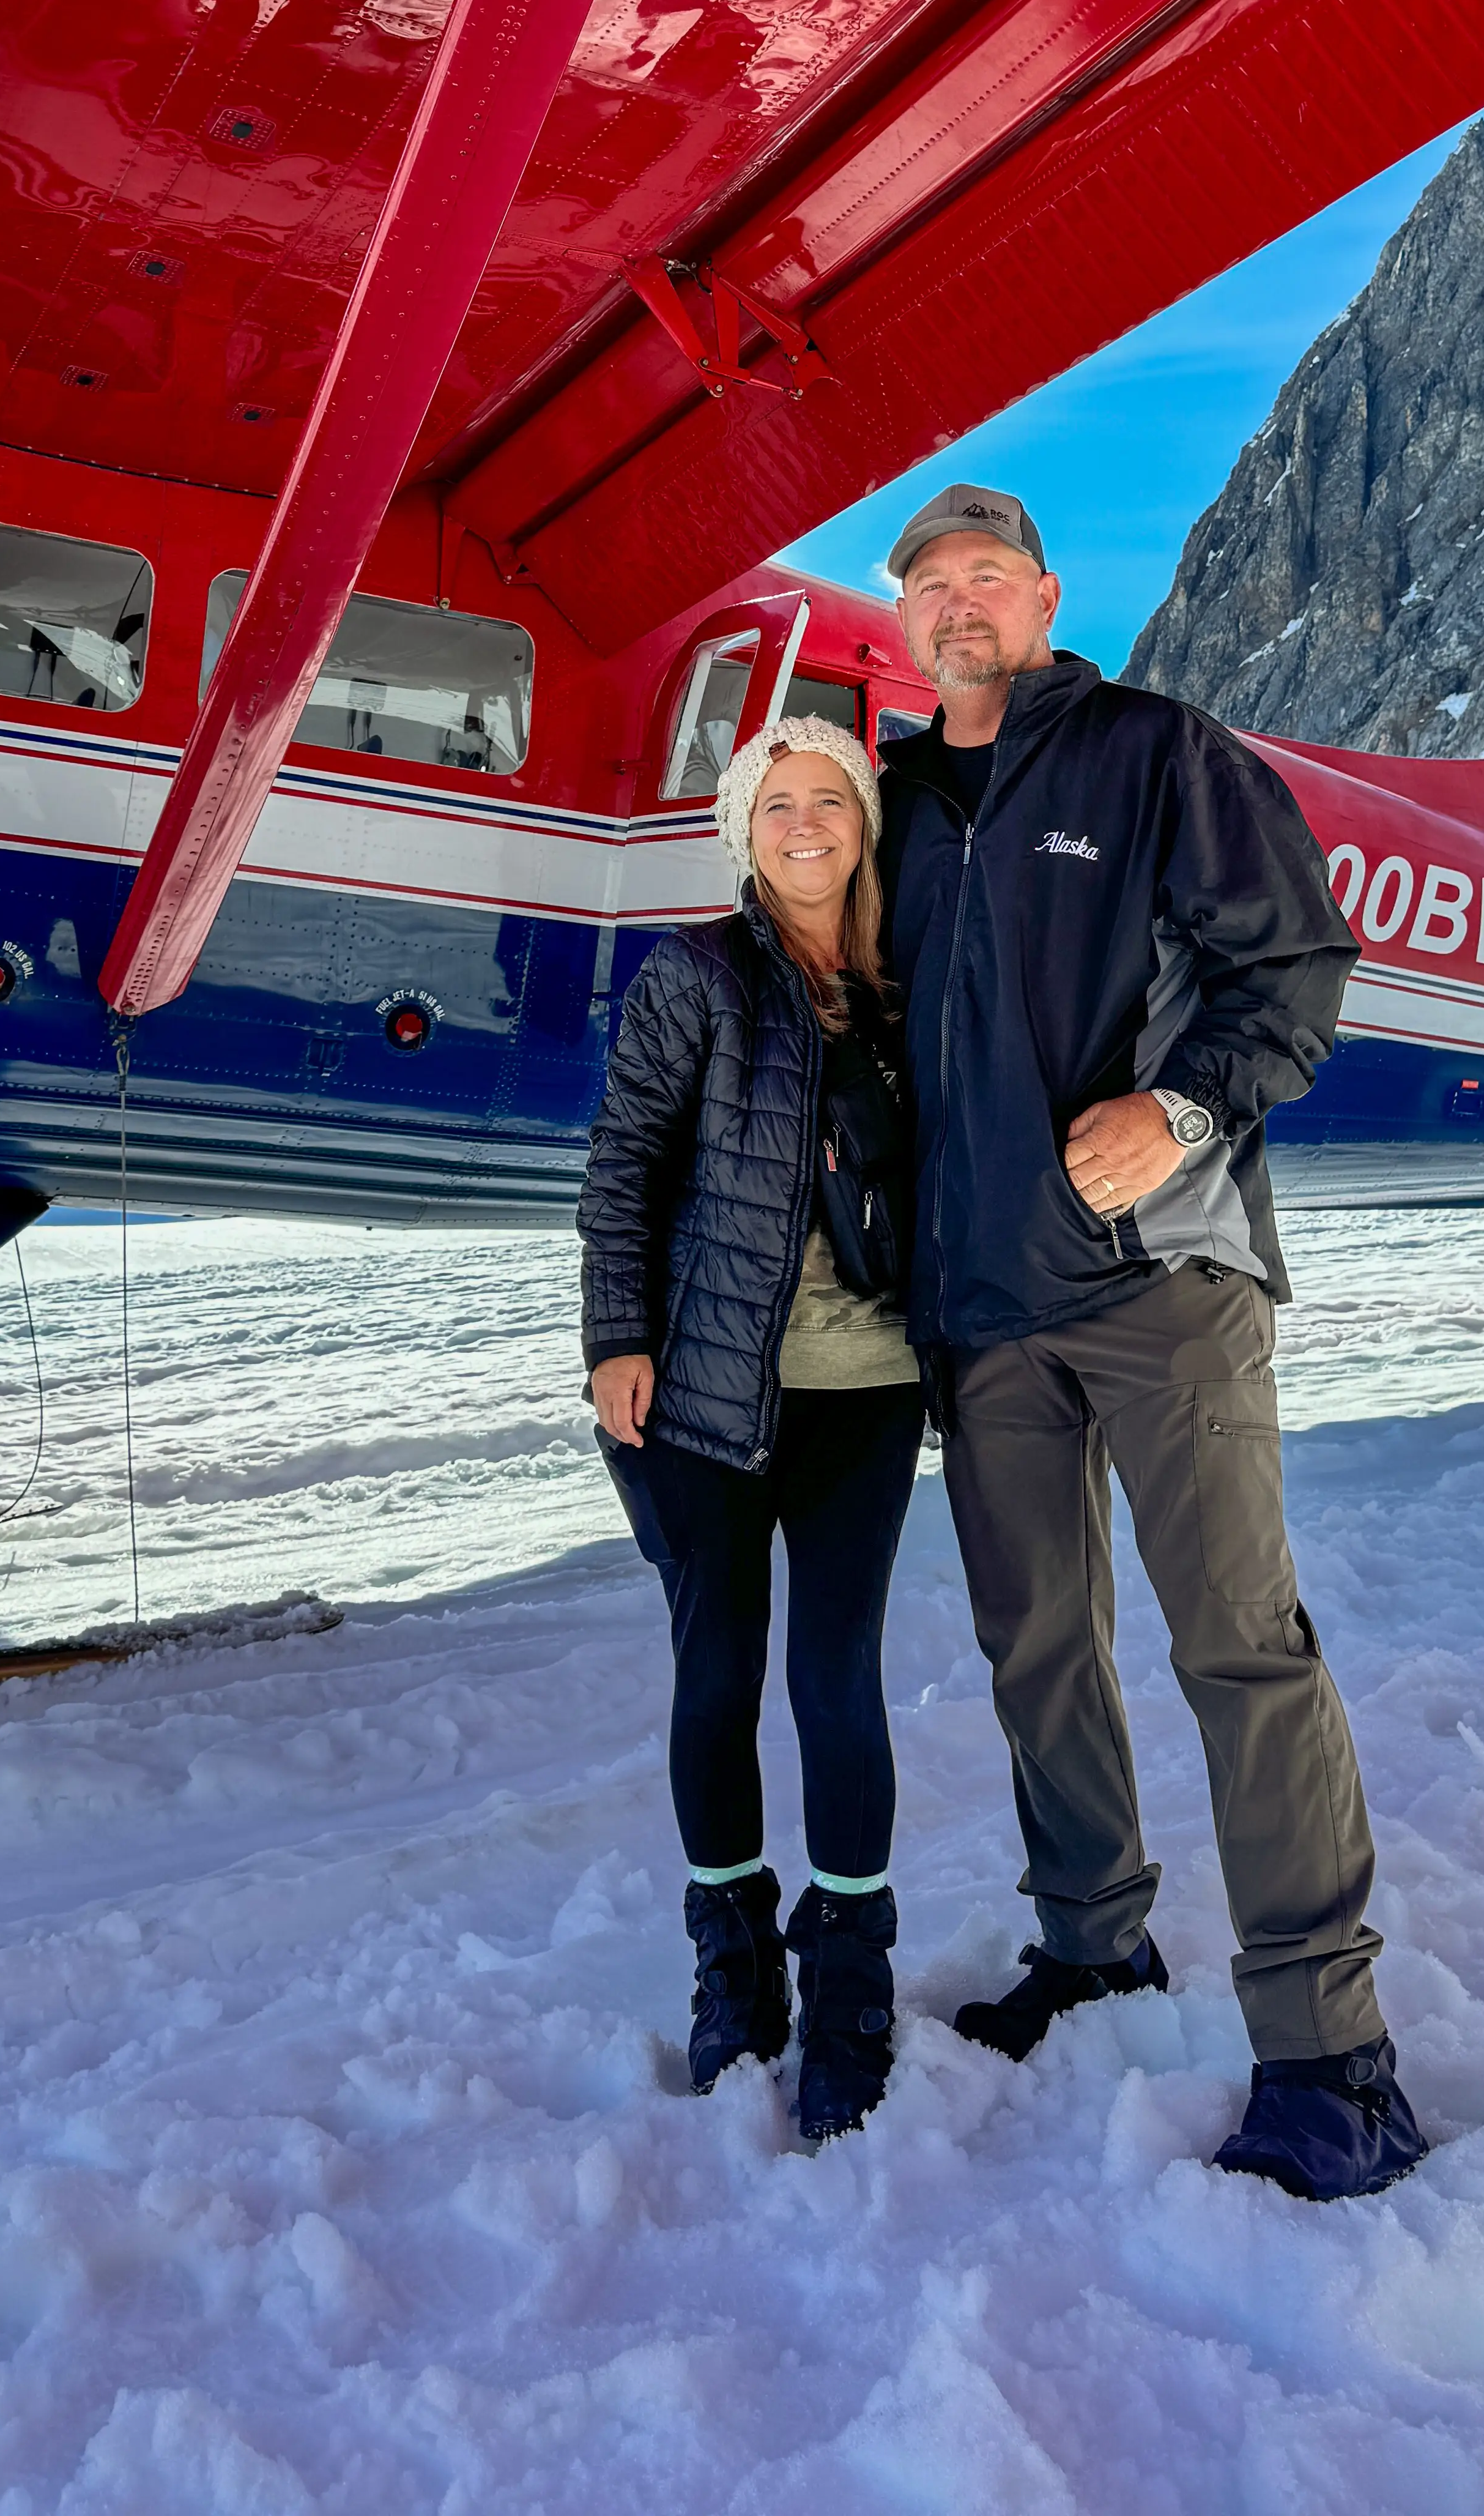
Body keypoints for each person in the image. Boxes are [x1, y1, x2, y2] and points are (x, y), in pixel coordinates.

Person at [877, 483, 1428, 2202]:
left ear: (1044, 596)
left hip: (1158, 1290)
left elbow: (1296, 970)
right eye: (928, 586)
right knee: (1036, 1646)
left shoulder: (1155, 753)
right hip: (982, 1315)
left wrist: (1180, 1113)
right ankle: (1093, 1949)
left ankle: (1333, 2058)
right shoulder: (892, 808)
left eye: (986, 577)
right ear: (906, 623)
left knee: (1237, 1651)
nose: (959, 606)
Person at [577, 715, 927, 2140]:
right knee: (715, 1673)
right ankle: (735, 1966)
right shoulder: (698, 976)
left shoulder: (912, 989)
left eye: (827, 798)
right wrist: (616, 1339)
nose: (803, 823)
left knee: (837, 1675)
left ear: (861, 821)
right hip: (703, 1398)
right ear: (743, 828)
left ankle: (848, 1978)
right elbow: (623, 1166)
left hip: (869, 1388)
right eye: (776, 802)